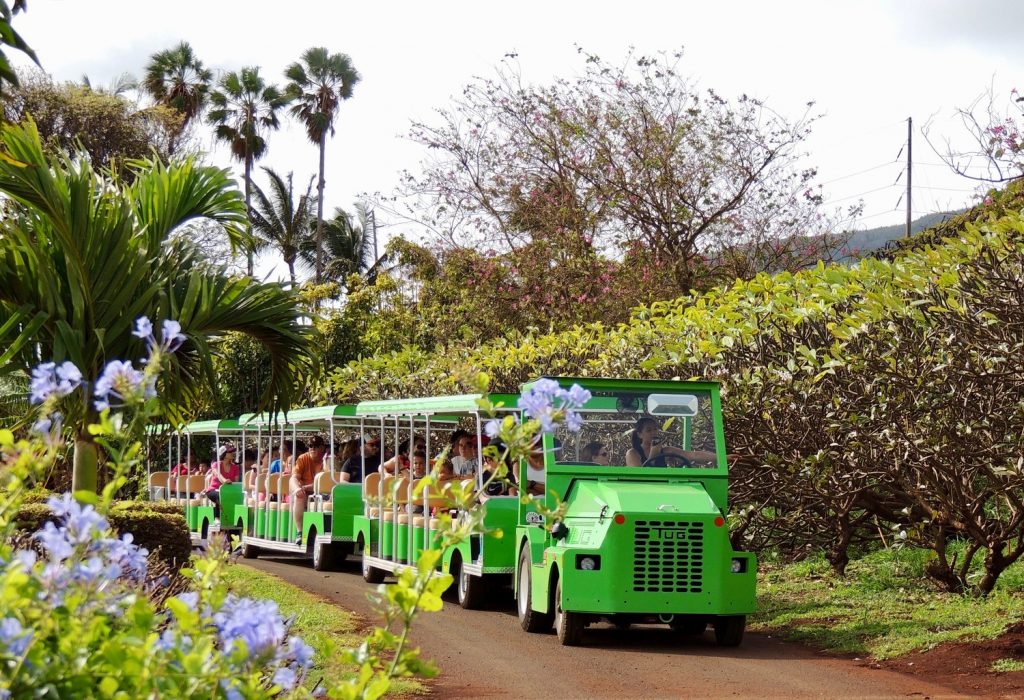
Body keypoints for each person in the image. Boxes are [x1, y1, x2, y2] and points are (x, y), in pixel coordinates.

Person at [625, 416, 718, 467]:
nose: (653, 433)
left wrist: (722, 458)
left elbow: (692, 455)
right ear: (639, 434)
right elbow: (640, 477)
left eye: (655, 429)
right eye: (649, 430)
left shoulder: (666, 451)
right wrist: (653, 454)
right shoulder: (633, 454)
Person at [290, 435, 327, 540]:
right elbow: (294, 478)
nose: (313, 449)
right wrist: (298, 489)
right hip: (306, 492)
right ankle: (300, 531)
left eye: (316, 446)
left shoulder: (327, 460)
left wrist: (306, 487)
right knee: (299, 496)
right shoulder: (303, 458)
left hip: (322, 492)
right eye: (310, 446)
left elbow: (326, 481)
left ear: (322, 448)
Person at [206, 444, 240, 519]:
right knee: (221, 495)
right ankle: (217, 518)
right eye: (230, 452)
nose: (232, 453)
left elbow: (236, 482)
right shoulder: (215, 464)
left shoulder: (235, 467)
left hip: (228, 491)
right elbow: (218, 475)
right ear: (224, 454)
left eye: (233, 452)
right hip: (213, 490)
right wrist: (224, 480)